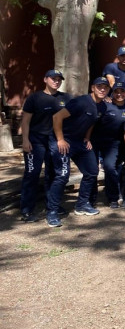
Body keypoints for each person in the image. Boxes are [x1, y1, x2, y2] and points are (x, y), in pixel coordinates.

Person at [47, 77, 110, 226]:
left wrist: (87, 138)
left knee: (92, 171)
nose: (102, 89)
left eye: (105, 87)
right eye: (99, 86)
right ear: (93, 88)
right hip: (62, 140)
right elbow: (57, 117)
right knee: (62, 175)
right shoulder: (81, 102)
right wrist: (61, 140)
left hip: (79, 141)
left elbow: (91, 122)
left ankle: (82, 205)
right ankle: (52, 212)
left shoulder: (102, 106)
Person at [19, 69, 71, 222]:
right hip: (36, 140)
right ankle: (27, 209)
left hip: (55, 140)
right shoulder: (35, 98)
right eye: (53, 78)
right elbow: (26, 120)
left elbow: (81, 105)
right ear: (45, 79)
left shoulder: (65, 97)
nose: (56, 81)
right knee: (32, 173)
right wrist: (25, 140)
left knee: (53, 174)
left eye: (59, 79)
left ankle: (52, 204)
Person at [91, 81, 125, 208]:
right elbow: (92, 122)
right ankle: (92, 198)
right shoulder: (105, 105)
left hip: (116, 144)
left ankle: (114, 197)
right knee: (95, 169)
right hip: (98, 142)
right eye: (116, 91)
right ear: (112, 93)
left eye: (122, 91)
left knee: (111, 168)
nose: (119, 94)